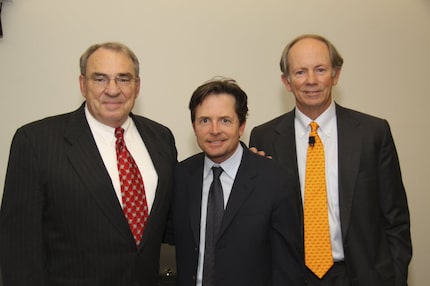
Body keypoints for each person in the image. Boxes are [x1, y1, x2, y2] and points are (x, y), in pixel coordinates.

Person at [0, 42, 178, 286]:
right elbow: (18, 248)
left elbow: (174, 219)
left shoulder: (161, 139)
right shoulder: (36, 142)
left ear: (137, 86)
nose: (113, 90)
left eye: (124, 79)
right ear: (83, 85)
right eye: (100, 79)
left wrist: (241, 168)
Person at [249, 34, 412, 286]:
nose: (311, 80)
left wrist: (394, 277)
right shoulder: (264, 137)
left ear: (335, 75)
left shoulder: (372, 133)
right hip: (291, 277)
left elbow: (396, 218)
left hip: (359, 276)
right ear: (287, 81)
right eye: (300, 72)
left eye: (320, 69)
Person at [171, 78, 302, 286]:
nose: (214, 130)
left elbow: (288, 269)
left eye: (225, 120)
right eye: (205, 120)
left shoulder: (276, 181)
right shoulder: (180, 177)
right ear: (194, 126)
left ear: (241, 126)